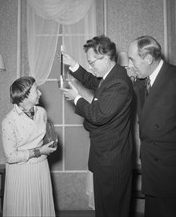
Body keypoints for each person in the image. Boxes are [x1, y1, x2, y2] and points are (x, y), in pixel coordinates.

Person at [127, 35, 176, 217]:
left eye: (132, 59)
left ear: (148, 59)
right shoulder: (141, 83)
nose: (130, 65)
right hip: (154, 175)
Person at [59, 35, 134, 217]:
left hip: (112, 162)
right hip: (105, 158)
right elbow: (93, 81)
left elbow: (98, 115)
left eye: (92, 62)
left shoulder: (118, 82)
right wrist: (74, 64)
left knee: (112, 210)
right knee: (105, 208)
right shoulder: (111, 76)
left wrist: (76, 97)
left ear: (106, 58)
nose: (91, 67)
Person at [2, 76, 57, 217]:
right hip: (21, 173)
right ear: (24, 95)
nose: (40, 93)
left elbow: (42, 137)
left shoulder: (42, 113)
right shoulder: (9, 121)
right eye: (36, 90)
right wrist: (38, 151)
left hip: (41, 168)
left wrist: (51, 142)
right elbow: (10, 156)